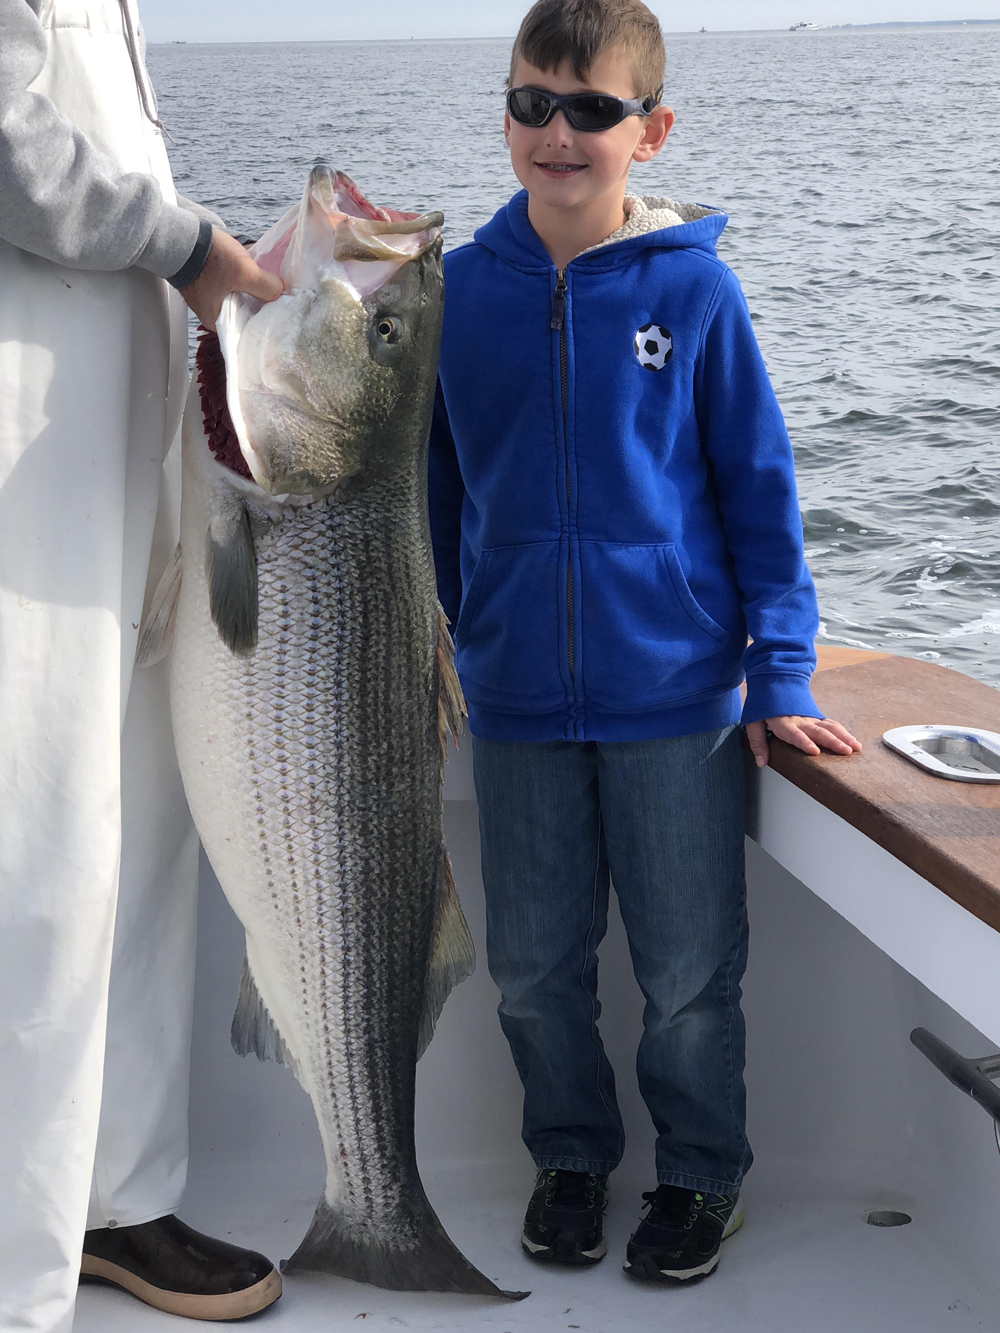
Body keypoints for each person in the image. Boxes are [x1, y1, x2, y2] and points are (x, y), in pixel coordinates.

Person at [428, 0, 862, 1286]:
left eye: (591, 110)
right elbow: (435, 493)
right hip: (511, 699)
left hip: (677, 696)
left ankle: (698, 1176)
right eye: (530, 103)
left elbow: (758, 489)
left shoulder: (696, 290)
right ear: (505, 113)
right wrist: (450, 638)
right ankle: (569, 1156)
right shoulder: (456, 292)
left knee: (685, 973)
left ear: (650, 131)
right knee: (530, 968)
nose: (556, 133)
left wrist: (779, 669)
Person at [0, 1, 285, 1327]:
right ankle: (21, 1262)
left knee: (139, 822)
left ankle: (116, 1196)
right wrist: (190, 248)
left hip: (123, 448)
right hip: (29, 456)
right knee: (43, 844)